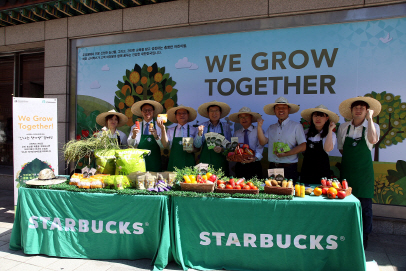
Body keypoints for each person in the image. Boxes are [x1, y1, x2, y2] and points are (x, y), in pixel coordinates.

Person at [337, 96, 381, 249]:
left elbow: (373, 140)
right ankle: (346, 236)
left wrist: (369, 120)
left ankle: (364, 238)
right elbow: (341, 148)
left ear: (367, 110)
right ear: (351, 110)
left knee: (365, 208)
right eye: (356, 107)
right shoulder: (343, 128)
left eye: (363, 107)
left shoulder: (373, 125)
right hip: (348, 172)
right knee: (346, 205)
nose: (359, 109)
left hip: (364, 174)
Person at [257, 97, 306, 181]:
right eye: (278, 108)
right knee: (272, 192)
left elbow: (303, 146)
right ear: (274, 111)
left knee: (288, 193)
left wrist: (286, 154)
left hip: (289, 168)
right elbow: (262, 142)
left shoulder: (296, 126)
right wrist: (259, 126)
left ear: (289, 109)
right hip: (273, 167)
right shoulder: (271, 127)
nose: (280, 110)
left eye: (284, 107)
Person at [300, 105, 339, 184]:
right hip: (307, 170)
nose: (318, 119)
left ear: (326, 118)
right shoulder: (306, 132)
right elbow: (302, 150)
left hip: (322, 172)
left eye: (321, 116)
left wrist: (330, 130)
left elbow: (328, 149)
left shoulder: (331, 134)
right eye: (315, 116)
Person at [128, 100, 167, 172]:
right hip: (140, 161)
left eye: (149, 110)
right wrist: (133, 136)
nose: (147, 112)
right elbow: (130, 145)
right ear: (141, 112)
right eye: (144, 110)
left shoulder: (159, 126)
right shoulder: (136, 126)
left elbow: (163, 146)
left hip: (155, 161)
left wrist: (156, 136)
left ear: (153, 111)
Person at [195, 101, 231, 175]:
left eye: (216, 111)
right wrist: (199, 134)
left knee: (221, 183)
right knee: (204, 183)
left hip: (221, 162)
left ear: (220, 113)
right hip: (205, 162)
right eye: (211, 111)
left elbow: (230, 146)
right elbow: (197, 145)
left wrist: (222, 149)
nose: (214, 113)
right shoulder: (202, 126)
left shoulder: (226, 126)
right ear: (208, 113)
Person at [228, 107, 264, 179]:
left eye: (246, 116)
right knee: (240, 187)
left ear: (251, 118)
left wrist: (254, 158)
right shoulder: (236, 133)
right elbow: (234, 149)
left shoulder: (258, 131)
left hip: (254, 164)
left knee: (255, 188)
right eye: (241, 117)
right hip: (240, 165)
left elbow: (260, 146)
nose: (244, 119)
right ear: (239, 120)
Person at [163, 105, 198, 171]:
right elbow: (165, 145)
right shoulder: (170, 130)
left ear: (188, 115)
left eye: (184, 113)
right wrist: (162, 128)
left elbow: (198, 148)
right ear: (176, 116)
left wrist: (192, 150)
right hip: (174, 161)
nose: (182, 115)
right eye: (179, 113)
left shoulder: (194, 130)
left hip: (188, 162)